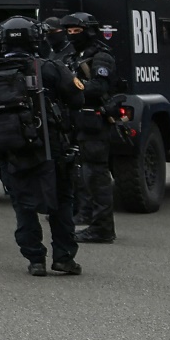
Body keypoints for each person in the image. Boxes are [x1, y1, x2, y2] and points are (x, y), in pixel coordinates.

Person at [0, 16, 82, 277]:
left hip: (10, 148)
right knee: (61, 201)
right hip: (51, 146)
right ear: (36, 38)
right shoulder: (50, 68)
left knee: (22, 203)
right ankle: (63, 258)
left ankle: (35, 259)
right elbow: (77, 98)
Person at [59, 13, 121, 244]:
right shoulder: (74, 56)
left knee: (96, 176)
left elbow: (98, 87)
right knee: (82, 174)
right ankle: (85, 214)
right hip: (78, 122)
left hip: (95, 122)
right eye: (70, 31)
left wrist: (72, 86)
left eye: (77, 31)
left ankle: (103, 228)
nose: (72, 35)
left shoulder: (101, 57)